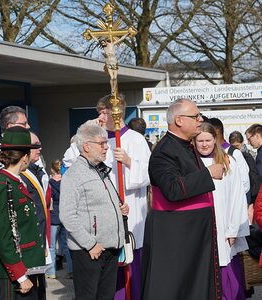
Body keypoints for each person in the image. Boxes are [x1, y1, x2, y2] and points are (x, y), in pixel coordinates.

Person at [141, 98, 224, 300]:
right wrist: (208, 173)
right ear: (179, 120)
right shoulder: (164, 152)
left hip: (192, 234)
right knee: (175, 289)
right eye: (195, 116)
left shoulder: (186, 145)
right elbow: (173, 189)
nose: (200, 119)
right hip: (176, 236)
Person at [60, 123, 129, 300]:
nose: (107, 147)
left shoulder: (100, 170)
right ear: (86, 146)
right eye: (102, 143)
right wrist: (90, 244)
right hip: (89, 250)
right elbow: (67, 215)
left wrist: (119, 208)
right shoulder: (74, 175)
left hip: (109, 248)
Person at [97, 95, 151, 300]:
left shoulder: (135, 139)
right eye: (100, 111)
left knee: (130, 261)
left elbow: (148, 173)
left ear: (116, 113)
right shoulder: (98, 139)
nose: (100, 116)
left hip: (130, 207)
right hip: (104, 210)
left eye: (104, 111)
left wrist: (129, 162)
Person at [0, 126, 46, 299]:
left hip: (28, 267)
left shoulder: (15, 182)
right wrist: (20, 275)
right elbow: (3, 238)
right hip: (14, 273)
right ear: (24, 156)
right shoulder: (2, 186)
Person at [195, 122, 249, 299]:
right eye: (200, 140)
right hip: (199, 228)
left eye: (208, 140)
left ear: (215, 140)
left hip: (223, 226)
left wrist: (233, 229)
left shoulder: (226, 160)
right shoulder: (190, 162)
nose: (204, 144)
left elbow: (236, 197)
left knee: (225, 273)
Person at [0, 106, 30, 257]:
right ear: (10, 126)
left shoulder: (25, 150)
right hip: (3, 225)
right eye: (24, 123)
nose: (28, 127)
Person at [46, 159, 73, 279]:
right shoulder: (67, 182)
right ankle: (71, 270)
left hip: (54, 216)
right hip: (65, 215)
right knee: (66, 245)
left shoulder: (49, 183)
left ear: (52, 170)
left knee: (52, 245)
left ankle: (52, 272)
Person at [209, 118, 250, 194]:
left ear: (217, 131)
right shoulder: (207, 153)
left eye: (209, 131)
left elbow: (245, 183)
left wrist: (231, 199)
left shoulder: (234, 153)